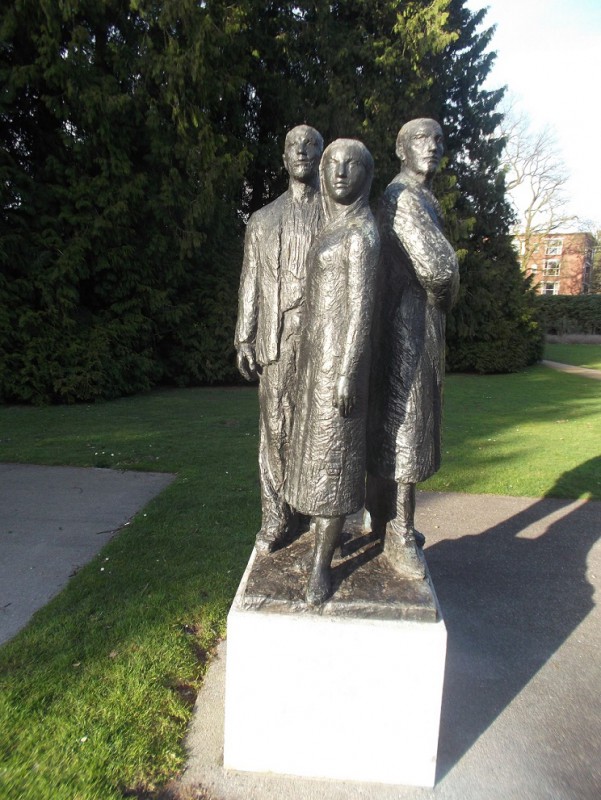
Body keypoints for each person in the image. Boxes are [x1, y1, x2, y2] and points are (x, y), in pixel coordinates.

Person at [285, 139, 380, 605]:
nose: (340, 172)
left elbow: (362, 309)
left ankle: (321, 566)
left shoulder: (361, 233)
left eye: (352, 165)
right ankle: (325, 544)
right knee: (316, 459)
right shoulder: (331, 226)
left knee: (336, 463)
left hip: (339, 370)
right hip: (316, 364)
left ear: (367, 174)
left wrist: (346, 372)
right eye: (333, 165)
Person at [366, 118, 459, 579]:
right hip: (409, 323)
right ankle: (399, 531)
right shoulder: (402, 198)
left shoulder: (418, 196)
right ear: (402, 149)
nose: (434, 147)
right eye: (423, 139)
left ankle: (384, 520)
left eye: (439, 139)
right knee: (407, 426)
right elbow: (438, 269)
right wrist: (445, 293)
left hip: (411, 320)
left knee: (400, 420)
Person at [235, 125, 324, 553]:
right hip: (277, 335)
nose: (302, 150)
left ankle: (320, 510)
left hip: (323, 336)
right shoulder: (263, 220)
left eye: (310, 145)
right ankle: (275, 517)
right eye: (293, 145)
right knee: (275, 428)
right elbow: (250, 281)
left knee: (323, 425)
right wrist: (243, 338)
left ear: (321, 156)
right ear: (284, 158)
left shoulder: (337, 214)